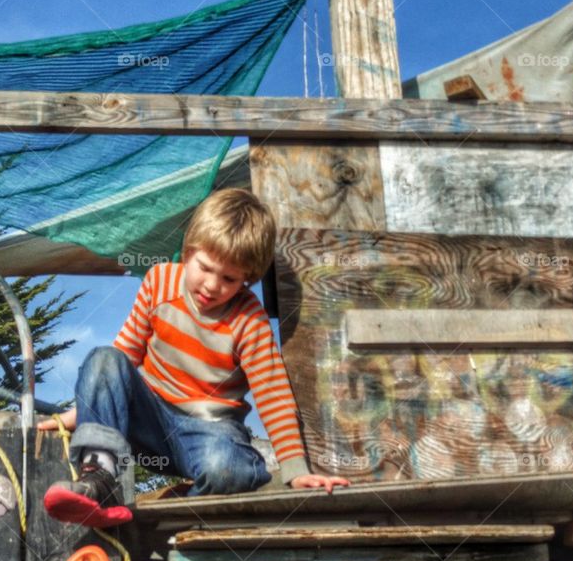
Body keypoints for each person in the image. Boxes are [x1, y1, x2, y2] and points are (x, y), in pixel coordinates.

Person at [39, 188, 350, 526]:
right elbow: (121, 360)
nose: (212, 285)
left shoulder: (249, 320)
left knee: (227, 468)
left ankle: (183, 513)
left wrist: (295, 470)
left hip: (209, 432)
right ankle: (98, 483)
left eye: (229, 278)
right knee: (104, 357)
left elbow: (273, 395)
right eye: (205, 268)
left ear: (247, 280)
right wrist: (85, 412)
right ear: (188, 253)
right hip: (149, 422)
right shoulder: (159, 282)